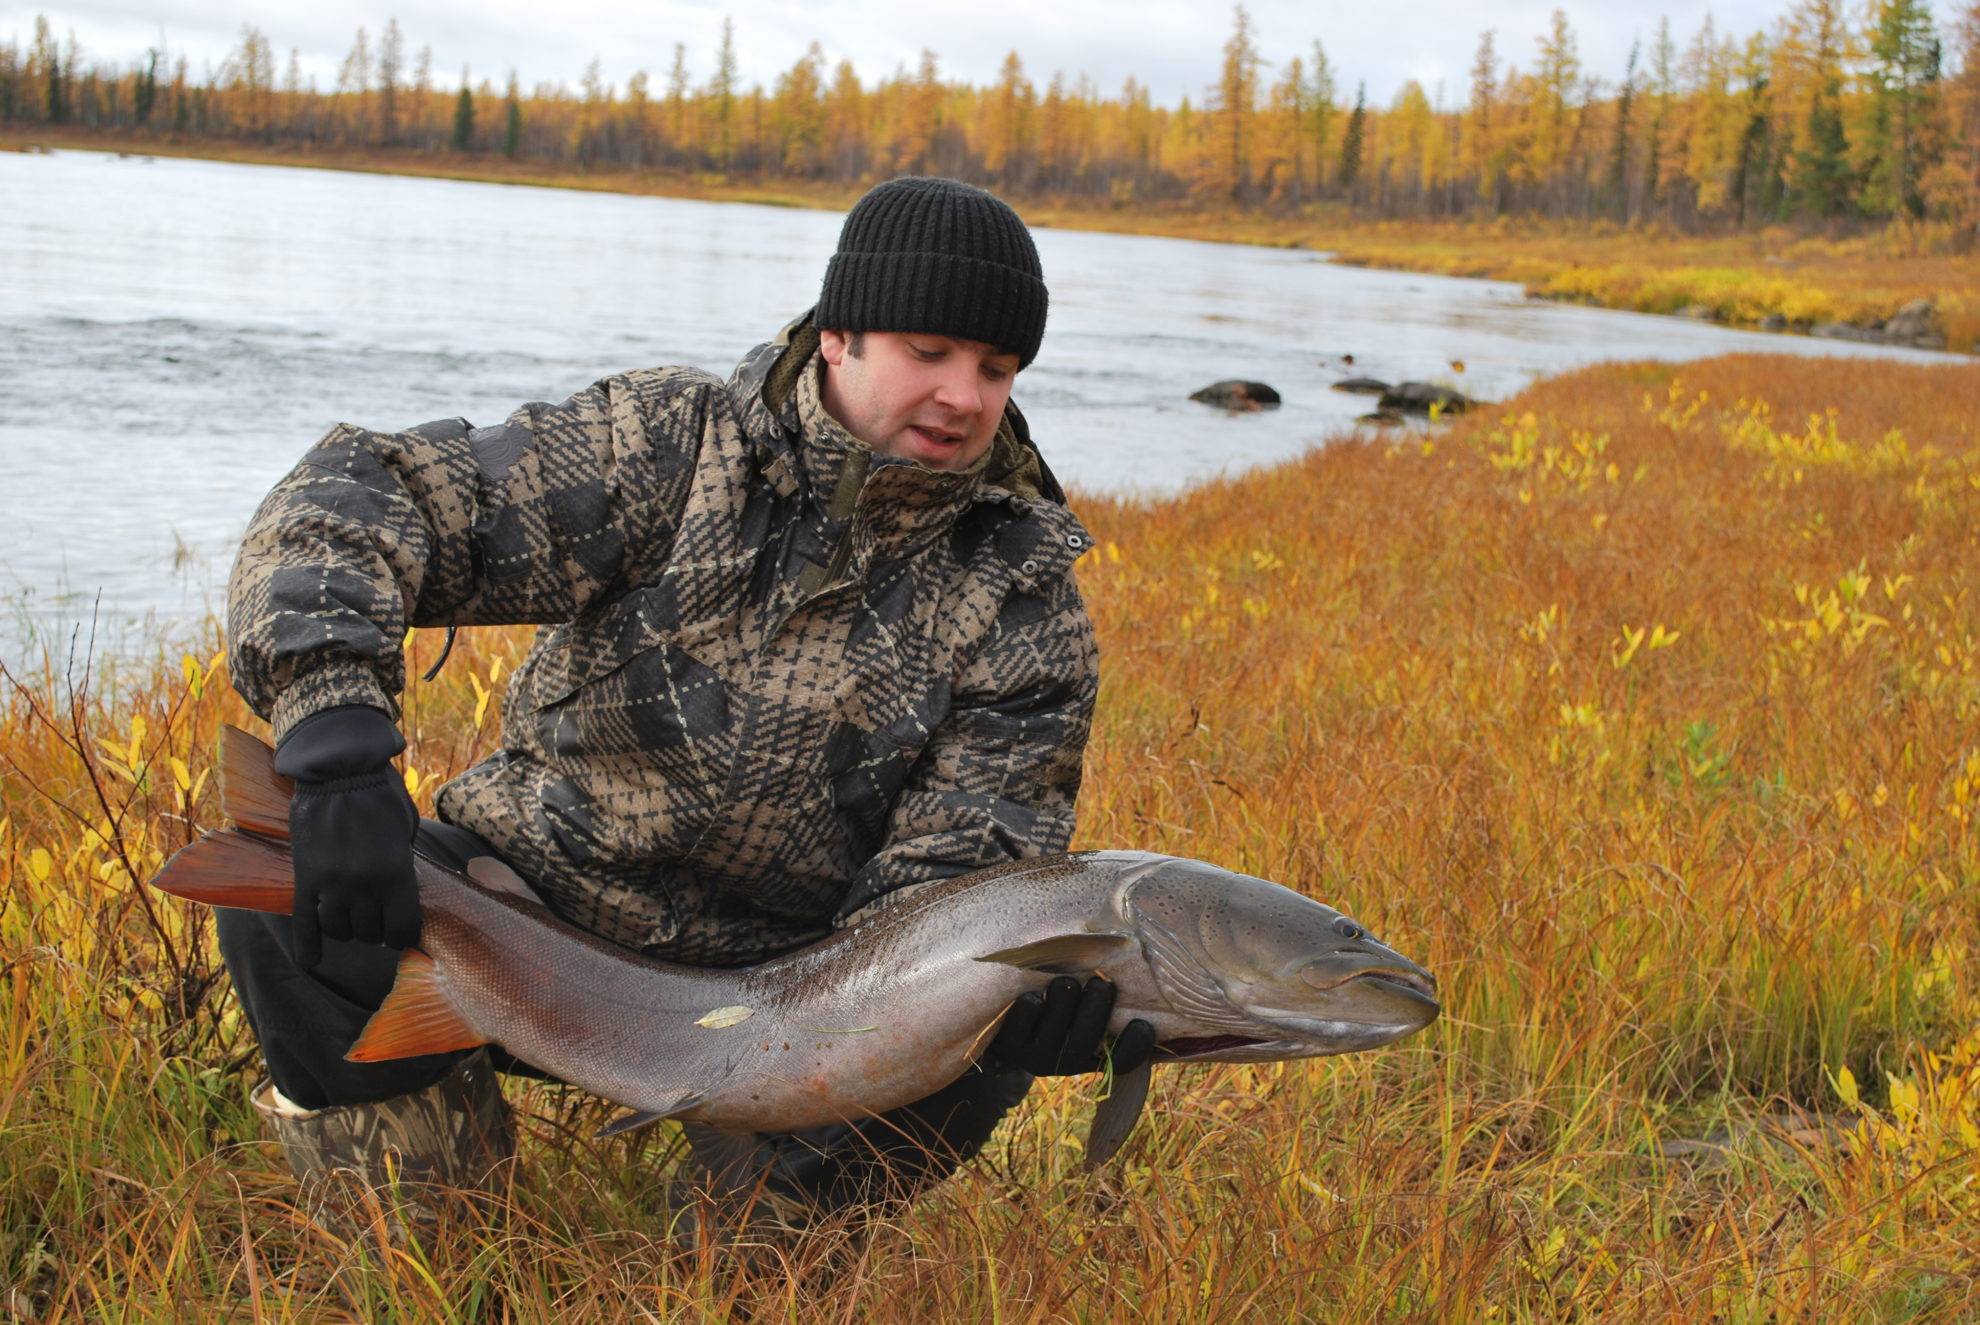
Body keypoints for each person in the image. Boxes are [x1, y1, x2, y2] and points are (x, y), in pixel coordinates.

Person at [217, 175, 1155, 1230]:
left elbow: (949, 884)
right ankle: (437, 1245)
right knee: (297, 875)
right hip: (526, 905)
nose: (964, 397)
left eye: (996, 366)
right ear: (838, 335)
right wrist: (334, 738)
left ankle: (733, 1262)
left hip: (801, 988)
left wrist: (1002, 1003)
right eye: (928, 351)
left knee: (975, 1026)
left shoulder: (1021, 593)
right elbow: (361, 491)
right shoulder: (671, 445)